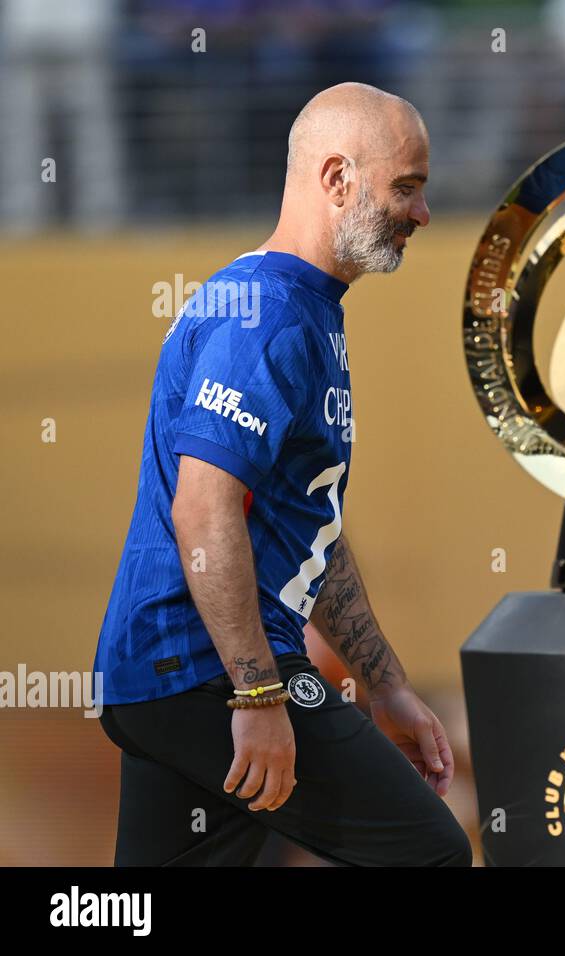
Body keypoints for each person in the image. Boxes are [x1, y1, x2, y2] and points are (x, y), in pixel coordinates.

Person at [92, 82, 472, 867]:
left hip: (172, 676)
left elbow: (309, 532)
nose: (422, 213)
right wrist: (258, 693)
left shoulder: (300, 307)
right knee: (431, 853)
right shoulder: (267, 314)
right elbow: (205, 512)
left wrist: (386, 683)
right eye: (407, 186)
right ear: (338, 179)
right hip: (203, 672)